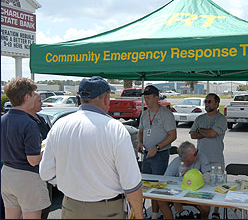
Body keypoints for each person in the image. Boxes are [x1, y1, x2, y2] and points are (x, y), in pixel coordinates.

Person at [39, 76, 143, 219]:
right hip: (107, 209)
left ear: (80, 98)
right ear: (106, 98)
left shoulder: (59, 126)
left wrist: (69, 183)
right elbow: (131, 184)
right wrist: (139, 215)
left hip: (70, 206)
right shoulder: (115, 128)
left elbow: (45, 173)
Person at [1, 77, 51, 219]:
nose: (36, 95)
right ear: (26, 97)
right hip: (27, 177)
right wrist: (47, 148)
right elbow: (33, 160)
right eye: (33, 93)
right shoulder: (29, 124)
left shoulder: (3, 120)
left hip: (6, 174)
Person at [137, 85, 177, 219]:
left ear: (156, 97)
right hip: (147, 154)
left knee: (157, 187)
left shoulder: (165, 114)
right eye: (145, 98)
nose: (146, 100)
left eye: (148, 98)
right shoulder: (144, 113)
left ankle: (156, 214)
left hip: (160, 155)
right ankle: (154, 214)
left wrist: (157, 147)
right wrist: (140, 143)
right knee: (147, 185)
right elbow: (141, 131)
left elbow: (172, 135)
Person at [190, 93, 227, 219]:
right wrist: (205, 132)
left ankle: (216, 213)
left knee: (217, 189)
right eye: (206, 101)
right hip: (200, 160)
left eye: (210, 101)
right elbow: (192, 135)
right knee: (202, 189)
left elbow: (213, 133)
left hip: (216, 159)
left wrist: (200, 130)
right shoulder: (200, 118)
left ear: (217, 104)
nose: (207, 104)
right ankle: (204, 213)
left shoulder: (221, 119)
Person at [158, 141, 211, 219]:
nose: (197, 154)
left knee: (206, 208)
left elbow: (207, 176)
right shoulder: (176, 162)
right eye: (195, 154)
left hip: (196, 192)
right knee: (161, 201)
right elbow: (165, 181)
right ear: (186, 158)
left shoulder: (201, 156)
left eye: (197, 151)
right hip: (178, 193)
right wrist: (175, 200)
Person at [27, 90, 53, 219]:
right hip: (33, 171)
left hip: (45, 170)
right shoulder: (27, 122)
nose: (42, 102)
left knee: (46, 205)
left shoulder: (41, 119)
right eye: (39, 100)